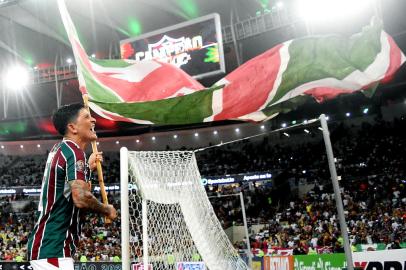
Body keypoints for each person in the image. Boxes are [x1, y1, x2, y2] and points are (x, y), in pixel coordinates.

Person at [27, 103, 117, 270]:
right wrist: (106, 209)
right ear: (72, 127)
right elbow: (81, 198)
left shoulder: (61, 149)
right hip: (53, 249)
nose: (93, 120)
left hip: (49, 248)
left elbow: (74, 191)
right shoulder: (74, 152)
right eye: (86, 117)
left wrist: (87, 170)